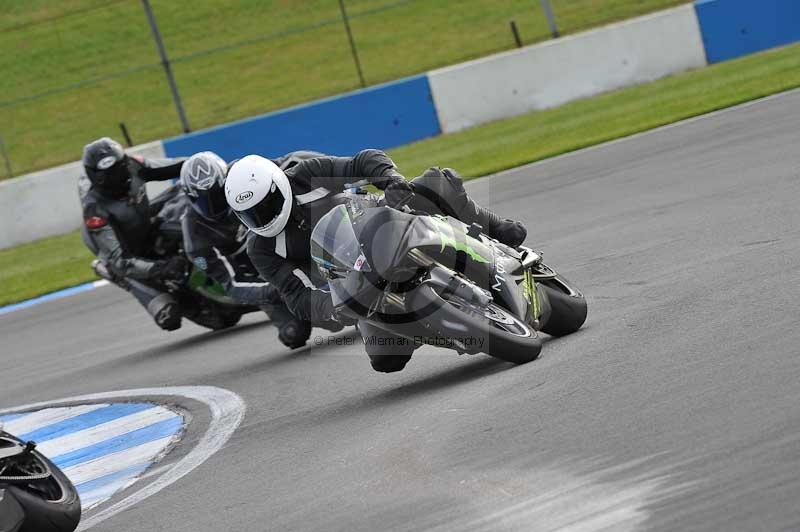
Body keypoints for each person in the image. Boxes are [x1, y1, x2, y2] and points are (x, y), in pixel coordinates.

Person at [223, 149, 527, 373]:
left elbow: (361, 162)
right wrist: (332, 308)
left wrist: (390, 180)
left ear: (278, 185)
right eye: (251, 214)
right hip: (355, 285)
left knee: (433, 182)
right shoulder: (260, 249)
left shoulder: (305, 175)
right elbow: (296, 296)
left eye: (266, 206)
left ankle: (495, 227)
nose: (261, 218)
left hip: (379, 227)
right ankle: (446, 328)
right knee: (386, 359)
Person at [179, 151, 313, 348]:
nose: (213, 205)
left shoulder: (242, 173)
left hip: (286, 237)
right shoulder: (194, 236)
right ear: (190, 197)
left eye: (217, 195)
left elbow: (290, 161)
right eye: (203, 200)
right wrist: (278, 289)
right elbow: (232, 284)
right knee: (293, 334)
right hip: (262, 275)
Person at [79, 137, 188, 330]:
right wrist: (162, 268)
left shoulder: (134, 164)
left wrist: (203, 165)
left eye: (117, 170)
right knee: (169, 317)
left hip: (144, 221)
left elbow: (176, 165)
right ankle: (118, 277)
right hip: (124, 252)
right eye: (107, 175)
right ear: (96, 177)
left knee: (186, 190)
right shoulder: (94, 209)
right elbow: (121, 260)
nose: (115, 178)